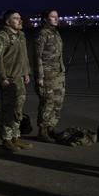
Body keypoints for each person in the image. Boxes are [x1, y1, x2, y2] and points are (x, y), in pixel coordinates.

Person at [0, 10, 33, 152]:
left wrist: (26, 72)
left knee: (18, 110)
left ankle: (16, 137)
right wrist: (2, 78)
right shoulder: (3, 36)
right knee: (8, 110)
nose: (20, 20)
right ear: (8, 22)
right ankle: (6, 139)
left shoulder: (20, 35)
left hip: (20, 78)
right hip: (10, 79)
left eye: (20, 18)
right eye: (16, 18)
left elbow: (24, 56)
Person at [35, 9, 65, 143]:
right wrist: (40, 76)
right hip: (47, 75)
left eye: (57, 16)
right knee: (47, 102)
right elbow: (37, 57)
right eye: (53, 17)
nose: (56, 18)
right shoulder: (43, 34)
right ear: (45, 19)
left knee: (58, 102)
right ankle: (43, 130)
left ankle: (51, 127)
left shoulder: (56, 33)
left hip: (58, 74)